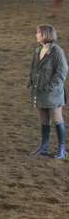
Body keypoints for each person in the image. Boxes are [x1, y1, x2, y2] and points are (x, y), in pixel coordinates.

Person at [28, 24, 68, 160]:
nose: (36, 34)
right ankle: (44, 147)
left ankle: (62, 149)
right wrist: (32, 81)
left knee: (57, 119)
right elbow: (34, 68)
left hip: (53, 93)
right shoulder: (38, 50)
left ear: (45, 34)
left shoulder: (57, 51)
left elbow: (62, 72)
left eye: (38, 32)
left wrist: (51, 86)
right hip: (39, 91)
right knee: (44, 120)